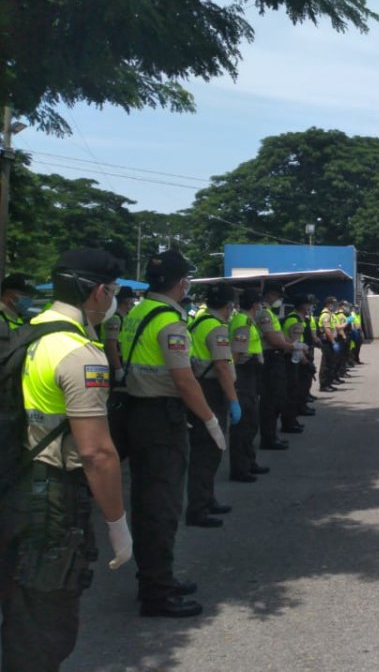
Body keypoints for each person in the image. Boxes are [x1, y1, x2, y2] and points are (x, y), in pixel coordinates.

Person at [0, 249, 133, 670]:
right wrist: (117, 524)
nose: (112, 300)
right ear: (97, 292)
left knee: (20, 608)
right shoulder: (80, 354)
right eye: (111, 292)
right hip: (51, 501)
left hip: (15, 481)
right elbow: (96, 453)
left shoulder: (26, 331)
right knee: (46, 623)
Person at [119, 249, 221, 617]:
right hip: (161, 419)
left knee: (149, 503)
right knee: (160, 507)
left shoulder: (138, 312)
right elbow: (184, 378)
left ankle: (156, 577)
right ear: (182, 283)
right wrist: (210, 419)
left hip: (137, 412)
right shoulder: (170, 321)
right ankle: (157, 592)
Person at [184, 284, 240, 528]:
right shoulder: (216, 328)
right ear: (228, 306)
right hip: (211, 390)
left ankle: (208, 498)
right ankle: (198, 509)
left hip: (200, 386)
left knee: (206, 450)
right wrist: (234, 400)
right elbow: (221, 367)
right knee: (208, 451)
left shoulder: (198, 321)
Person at [256, 282, 305, 445]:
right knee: (270, 400)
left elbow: (279, 336)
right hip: (270, 358)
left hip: (276, 357)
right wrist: (291, 346)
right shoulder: (263, 313)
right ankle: (268, 438)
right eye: (278, 296)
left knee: (277, 397)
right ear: (269, 294)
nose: (279, 300)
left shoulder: (269, 312)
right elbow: (272, 339)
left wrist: (291, 344)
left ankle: (271, 435)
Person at [229, 289, 270, 482]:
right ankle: (240, 468)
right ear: (255, 305)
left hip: (251, 374)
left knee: (251, 422)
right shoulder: (243, 322)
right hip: (244, 374)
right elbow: (236, 355)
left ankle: (249, 462)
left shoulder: (246, 321)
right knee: (244, 425)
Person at [102, 286, 137, 460]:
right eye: (131, 299)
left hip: (123, 367)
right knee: (115, 409)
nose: (133, 302)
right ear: (125, 300)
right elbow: (111, 345)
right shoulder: (115, 319)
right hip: (114, 367)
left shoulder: (126, 318)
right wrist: (117, 369)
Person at [281, 295, 315, 431]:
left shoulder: (300, 319)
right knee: (292, 391)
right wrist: (305, 362)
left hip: (297, 358)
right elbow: (294, 345)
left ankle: (295, 415)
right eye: (309, 305)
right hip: (292, 360)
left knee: (298, 388)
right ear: (302, 305)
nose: (310, 307)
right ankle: (289, 421)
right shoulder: (294, 320)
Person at [317, 296, 339, 392]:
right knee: (326, 364)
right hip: (327, 342)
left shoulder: (330, 314)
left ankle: (328, 383)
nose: (334, 306)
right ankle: (324, 385)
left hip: (330, 341)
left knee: (330, 363)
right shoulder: (325, 315)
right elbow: (327, 330)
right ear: (328, 304)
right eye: (332, 304)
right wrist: (333, 342)